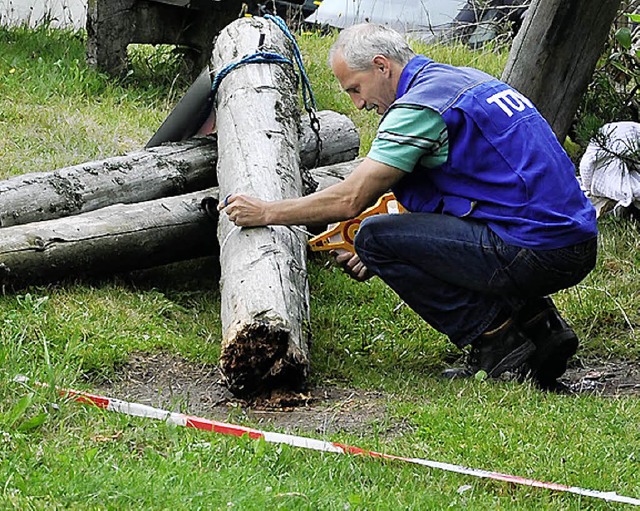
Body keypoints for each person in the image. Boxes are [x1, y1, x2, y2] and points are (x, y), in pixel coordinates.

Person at [218, 23, 598, 390]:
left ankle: (497, 340)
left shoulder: (419, 107)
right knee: (391, 237)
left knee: (372, 236)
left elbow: (351, 198)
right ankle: (541, 326)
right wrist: (406, 247)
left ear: (382, 66)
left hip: (536, 251)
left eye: (355, 88)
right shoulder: (466, 80)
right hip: (574, 242)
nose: (358, 103)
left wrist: (267, 213)